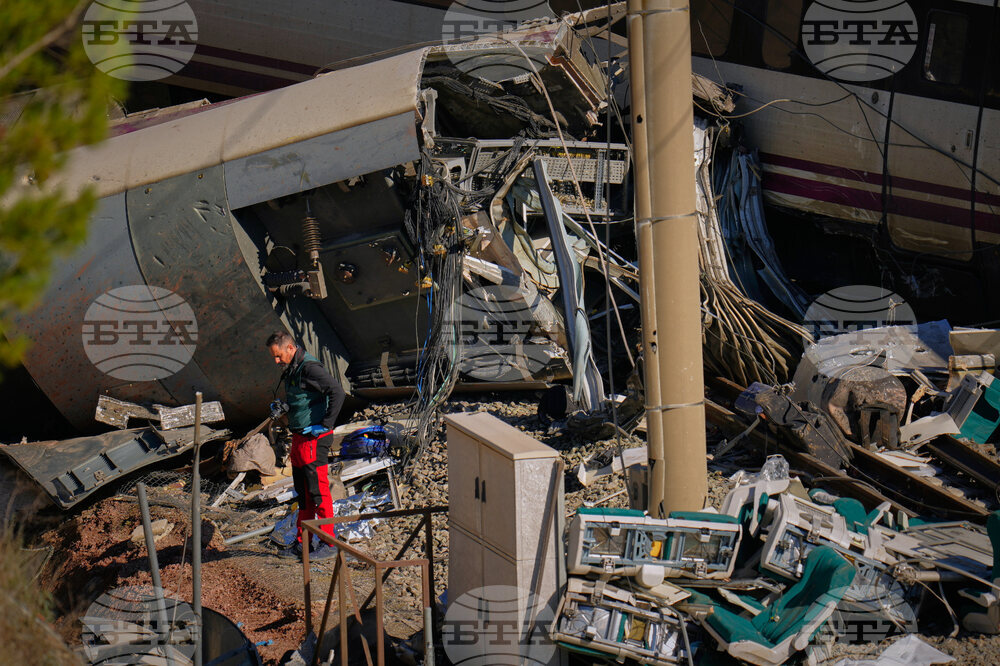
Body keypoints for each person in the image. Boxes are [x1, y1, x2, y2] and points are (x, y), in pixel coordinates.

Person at [266, 331, 346, 559]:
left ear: (290, 348)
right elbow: (304, 399)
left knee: (318, 492)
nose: (276, 361)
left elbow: (337, 392)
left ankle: (329, 544)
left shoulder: (310, 368)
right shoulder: (292, 369)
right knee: (304, 494)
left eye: (279, 355)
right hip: (300, 438)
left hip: (314, 439)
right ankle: (304, 542)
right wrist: (285, 407)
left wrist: (326, 424)